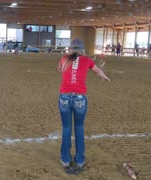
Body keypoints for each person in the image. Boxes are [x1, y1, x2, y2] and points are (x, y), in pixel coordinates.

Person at [57, 39, 110, 174]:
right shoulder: (87, 60)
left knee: (66, 128)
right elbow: (97, 71)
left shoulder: (64, 58)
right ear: (82, 49)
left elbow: (60, 69)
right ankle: (80, 160)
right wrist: (105, 77)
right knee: (79, 129)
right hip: (80, 98)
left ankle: (65, 160)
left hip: (64, 97)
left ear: (71, 48)